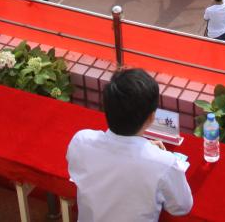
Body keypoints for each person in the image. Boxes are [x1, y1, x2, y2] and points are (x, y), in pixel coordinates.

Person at [66, 68, 192, 222]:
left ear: (106, 108)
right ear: (152, 117)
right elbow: (181, 207)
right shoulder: (164, 163)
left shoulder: (81, 141)